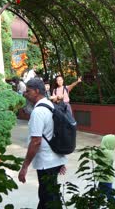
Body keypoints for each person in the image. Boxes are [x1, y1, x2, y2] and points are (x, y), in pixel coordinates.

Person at [18, 79, 67, 209]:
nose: (26, 94)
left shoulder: (38, 112)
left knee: (49, 199)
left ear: (37, 91)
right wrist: (61, 160)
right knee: (49, 198)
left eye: (28, 91)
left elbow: (36, 141)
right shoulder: (50, 105)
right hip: (53, 160)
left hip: (46, 163)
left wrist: (25, 166)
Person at [96, 134, 115, 204]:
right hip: (105, 178)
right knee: (100, 194)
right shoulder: (109, 152)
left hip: (105, 179)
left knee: (109, 195)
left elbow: (91, 155)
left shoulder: (106, 153)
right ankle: (96, 204)